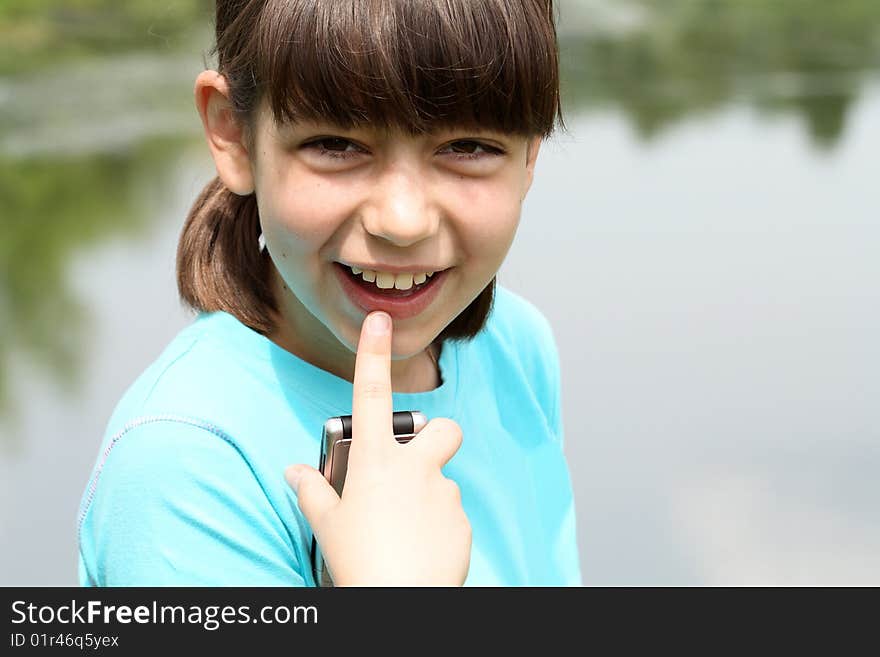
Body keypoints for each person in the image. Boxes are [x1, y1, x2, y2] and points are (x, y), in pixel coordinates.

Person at [77, 0, 582, 586]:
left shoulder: (515, 347)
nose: (402, 219)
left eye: (468, 147)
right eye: (337, 145)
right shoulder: (187, 467)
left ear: (530, 155)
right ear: (234, 134)